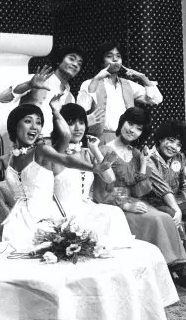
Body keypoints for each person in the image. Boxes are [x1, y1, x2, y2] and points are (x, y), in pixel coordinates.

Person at [0, 97, 105, 253]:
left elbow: (66, 158)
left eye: (38, 122)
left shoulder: (42, 151)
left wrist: (93, 168)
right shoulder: (7, 159)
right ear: (15, 126)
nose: (34, 127)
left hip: (45, 220)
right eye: (28, 121)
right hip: (18, 222)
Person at [90, 107, 186, 288]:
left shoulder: (135, 153)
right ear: (122, 122)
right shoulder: (103, 150)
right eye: (130, 124)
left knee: (165, 217)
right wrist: (126, 206)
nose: (132, 130)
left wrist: (142, 163)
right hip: (112, 204)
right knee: (155, 219)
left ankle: (177, 271)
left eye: (139, 128)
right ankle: (166, 272)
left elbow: (139, 192)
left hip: (134, 200)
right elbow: (100, 192)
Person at [50, 103, 134, 248]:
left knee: (114, 213)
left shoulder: (87, 153)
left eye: (82, 122)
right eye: (71, 123)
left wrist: (94, 149)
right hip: (61, 211)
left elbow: (110, 178)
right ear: (61, 126)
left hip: (86, 208)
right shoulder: (53, 153)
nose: (78, 128)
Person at [145, 120, 186, 289]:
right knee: (172, 216)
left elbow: (181, 185)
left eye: (178, 144)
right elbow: (162, 187)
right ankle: (182, 273)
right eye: (170, 140)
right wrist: (177, 210)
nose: (173, 147)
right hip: (155, 203)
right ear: (160, 139)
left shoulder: (180, 157)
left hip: (177, 200)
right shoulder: (149, 159)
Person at [0, 46, 97, 138]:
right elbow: (2, 98)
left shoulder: (70, 97)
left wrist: (84, 122)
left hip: (52, 145)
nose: (75, 64)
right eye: (71, 59)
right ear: (59, 61)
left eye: (79, 64)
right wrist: (29, 85)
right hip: (26, 142)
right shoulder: (38, 80)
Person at [77, 41, 162, 143]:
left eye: (118, 56)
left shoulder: (128, 84)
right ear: (101, 61)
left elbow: (156, 99)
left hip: (125, 139)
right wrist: (96, 80)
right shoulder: (90, 83)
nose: (115, 59)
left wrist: (142, 77)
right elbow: (80, 111)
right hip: (98, 140)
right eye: (109, 56)